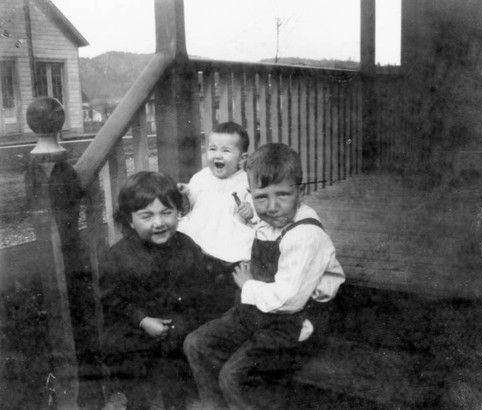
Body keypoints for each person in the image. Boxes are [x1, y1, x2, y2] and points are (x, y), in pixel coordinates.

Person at [183, 143, 346, 410]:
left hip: (295, 321)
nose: (272, 207)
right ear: (251, 195)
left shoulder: (305, 235)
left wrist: (248, 285)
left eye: (282, 195)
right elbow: (261, 230)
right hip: (259, 312)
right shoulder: (270, 219)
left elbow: (289, 299)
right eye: (261, 197)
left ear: (300, 193)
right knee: (196, 344)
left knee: (233, 375)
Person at [99, 171, 210, 410]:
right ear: (130, 220)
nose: (159, 223)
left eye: (167, 213)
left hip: (174, 325)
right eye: (146, 216)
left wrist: (183, 319)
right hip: (134, 327)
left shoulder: (188, 248)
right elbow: (111, 298)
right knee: (134, 365)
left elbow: (199, 291)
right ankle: (138, 401)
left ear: (178, 213)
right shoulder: (117, 257)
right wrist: (142, 320)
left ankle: (176, 401)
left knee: (178, 361)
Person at [177, 121, 257, 313]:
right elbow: (194, 197)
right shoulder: (202, 176)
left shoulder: (246, 180)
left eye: (226, 151)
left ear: (242, 158)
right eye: (212, 149)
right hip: (203, 230)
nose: (217, 155)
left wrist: (249, 210)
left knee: (230, 266)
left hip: (229, 233)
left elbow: (254, 203)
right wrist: (186, 191)